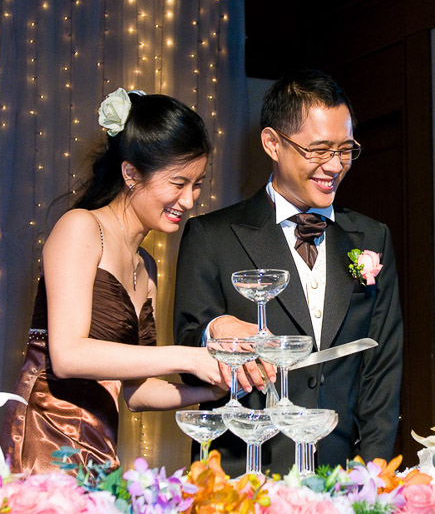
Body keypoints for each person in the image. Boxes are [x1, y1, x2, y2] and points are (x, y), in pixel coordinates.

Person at [0, 88, 250, 475]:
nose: (188, 200)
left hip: (99, 446)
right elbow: (67, 357)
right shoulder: (81, 228)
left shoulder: (145, 266)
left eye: (197, 184)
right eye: (177, 183)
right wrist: (188, 356)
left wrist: (215, 385)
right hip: (45, 440)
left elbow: (137, 392)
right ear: (131, 172)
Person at [173, 69, 404, 476]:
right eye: (318, 150)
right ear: (273, 144)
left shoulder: (372, 236)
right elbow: (191, 338)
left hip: (341, 478)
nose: (335, 165)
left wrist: (373, 478)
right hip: (243, 475)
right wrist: (217, 330)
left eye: (346, 149)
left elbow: (381, 369)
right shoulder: (212, 236)